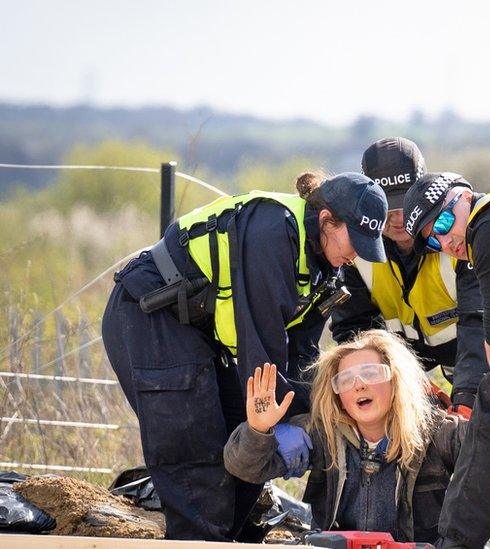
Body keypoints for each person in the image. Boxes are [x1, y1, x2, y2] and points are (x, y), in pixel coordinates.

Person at [101, 171, 388, 540]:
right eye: (355, 240)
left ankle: (224, 541)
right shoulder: (274, 233)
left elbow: (301, 356)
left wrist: (309, 414)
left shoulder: (325, 269)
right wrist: (276, 422)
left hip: (198, 334)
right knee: (199, 457)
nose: (356, 255)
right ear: (326, 220)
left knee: (247, 452)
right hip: (151, 317)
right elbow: (261, 350)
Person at [401, 172, 490, 548]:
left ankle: (457, 544)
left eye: (444, 221)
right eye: (433, 238)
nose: (445, 240)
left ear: (466, 197)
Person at [224, 329, 467, 543]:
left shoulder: (438, 433)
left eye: (371, 373)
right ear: (337, 395)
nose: (358, 385)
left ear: (396, 381)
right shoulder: (323, 433)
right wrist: (258, 430)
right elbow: (245, 468)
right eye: (346, 380)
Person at [331, 138, 489, 418]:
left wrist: (465, 397)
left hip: (471, 355)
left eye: (405, 203)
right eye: (385, 208)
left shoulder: (457, 239)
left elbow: (479, 324)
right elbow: (354, 333)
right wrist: (414, 386)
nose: (397, 218)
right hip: (402, 366)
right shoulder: (357, 252)